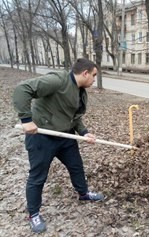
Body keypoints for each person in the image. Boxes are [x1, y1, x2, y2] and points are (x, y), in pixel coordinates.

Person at [12, 58, 104, 233]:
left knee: (76, 166)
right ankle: (33, 214)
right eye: (93, 76)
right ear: (85, 73)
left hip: (65, 136)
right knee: (38, 176)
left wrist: (84, 132)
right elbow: (22, 89)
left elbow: (74, 116)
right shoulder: (57, 81)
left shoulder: (80, 91)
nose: (94, 80)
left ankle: (83, 193)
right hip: (42, 136)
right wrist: (26, 119)